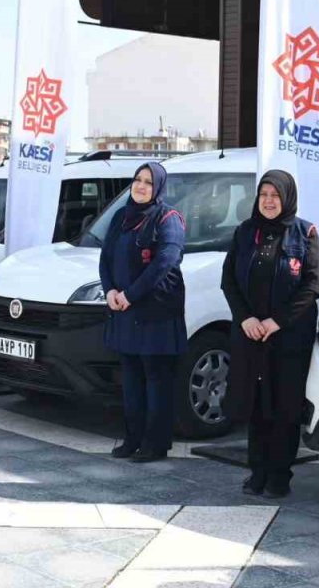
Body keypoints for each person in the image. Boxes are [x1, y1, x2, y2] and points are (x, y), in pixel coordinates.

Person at [221, 169, 319, 498]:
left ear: (287, 198)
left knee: (285, 408)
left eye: (275, 195)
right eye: (264, 194)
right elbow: (229, 281)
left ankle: (280, 475)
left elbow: (312, 286)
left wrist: (277, 321)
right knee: (256, 406)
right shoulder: (244, 232)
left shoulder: (305, 233)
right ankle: (257, 472)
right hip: (251, 336)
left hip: (288, 338)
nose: (268, 201)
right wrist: (246, 318)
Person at [99, 162, 187, 463]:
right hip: (124, 310)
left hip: (156, 313)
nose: (141, 186)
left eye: (148, 182)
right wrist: (109, 289)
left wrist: (129, 295)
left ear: (158, 187)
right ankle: (132, 439)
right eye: (137, 179)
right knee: (132, 379)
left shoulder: (169, 219)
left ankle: (155, 444)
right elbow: (106, 257)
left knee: (156, 379)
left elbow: (164, 264)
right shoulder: (122, 216)